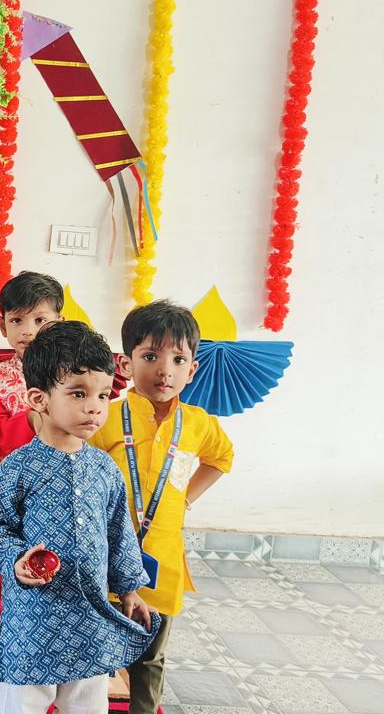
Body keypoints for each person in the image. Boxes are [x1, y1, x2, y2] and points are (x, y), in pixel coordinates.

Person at [0, 321, 159, 713]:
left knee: (88, 705)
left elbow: (119, 532)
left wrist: (129, 588)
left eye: (103, 395)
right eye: (78, 393)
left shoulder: (104, 469)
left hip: (89, 623)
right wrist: (17, 561)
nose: (95, 406)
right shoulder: (17, 468)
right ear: (39, 399)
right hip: (32, 623)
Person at [90, 301, 234, 714]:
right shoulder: (106, 417)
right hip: (104, 559)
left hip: (162, 564)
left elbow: (221, 458)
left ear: (193, 369)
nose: (164, 370)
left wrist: (185, 498)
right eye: (150, 356)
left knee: (151, 656)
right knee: (95, 651)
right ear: (125, 363)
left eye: (178, 359)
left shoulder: (199, 424)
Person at [0, 270, 64, 682]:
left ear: (59, 321)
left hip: (60, 495)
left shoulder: (71, 376)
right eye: (18, 320)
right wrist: (31, 417)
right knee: (2, 569)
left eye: (41, 320)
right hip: (10, 495)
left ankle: (51, 646)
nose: (29, 330)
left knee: (57, 569)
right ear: (2, 325)